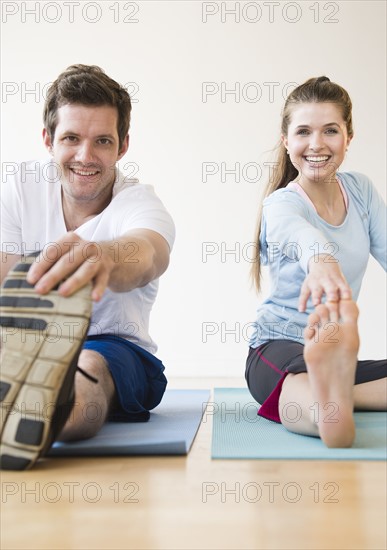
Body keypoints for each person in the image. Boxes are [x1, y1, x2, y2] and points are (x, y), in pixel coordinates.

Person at [0, 64, 175, 469]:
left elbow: (149, 254)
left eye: (102, 141)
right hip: (21, 343)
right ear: (48, 139)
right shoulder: (19, 189)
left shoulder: (141, 204)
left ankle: (39, 418)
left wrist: (103, 257)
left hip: (114, 346)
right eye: (71, 139)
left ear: (123, 146)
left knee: (87, 364)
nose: (85, 156)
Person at [246, 76, 386, 448]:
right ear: (286, 141)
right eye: (304, 131)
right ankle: (328, 405)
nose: (317, 144)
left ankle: (337, 388)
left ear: (348, 138)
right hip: (276, 346)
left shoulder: (361, 192)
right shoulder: (281, 204)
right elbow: (295, 232)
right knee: (307, 387)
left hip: (334, 348)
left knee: (329, 377)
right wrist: (321, 259)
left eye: (330, 131)